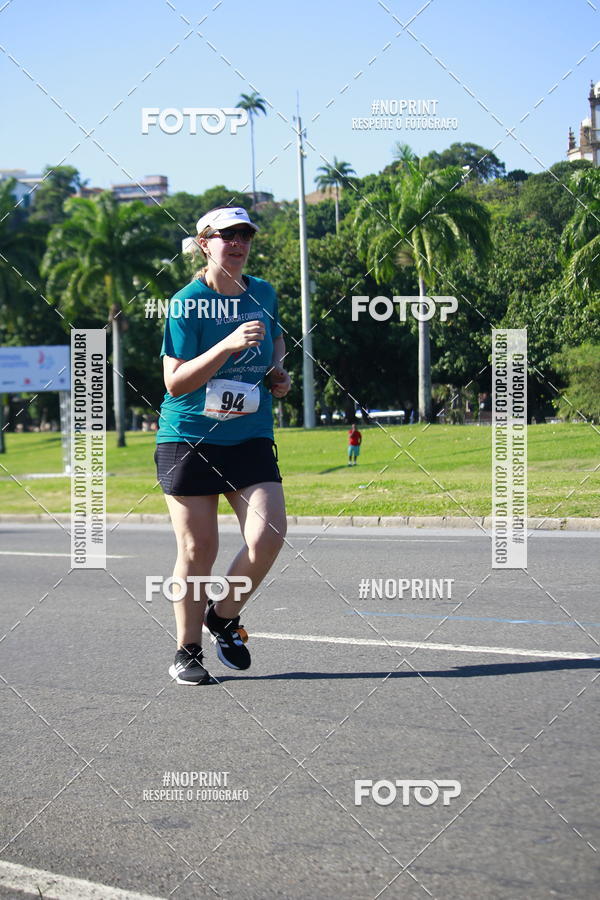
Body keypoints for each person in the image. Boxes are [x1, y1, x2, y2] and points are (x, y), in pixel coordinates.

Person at [155, 207, 291, 685]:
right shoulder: (186, 303)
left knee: (269, 533)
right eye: (225, 236)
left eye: (244, 235)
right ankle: (187, 650)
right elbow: (174, 382)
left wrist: (278, 372)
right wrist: (227, 345)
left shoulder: (263, 292)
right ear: (203, 243)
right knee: (198, 549)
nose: (237, 243)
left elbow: (274, 341)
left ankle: (223, 614)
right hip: (189, 436)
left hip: (249, 434)